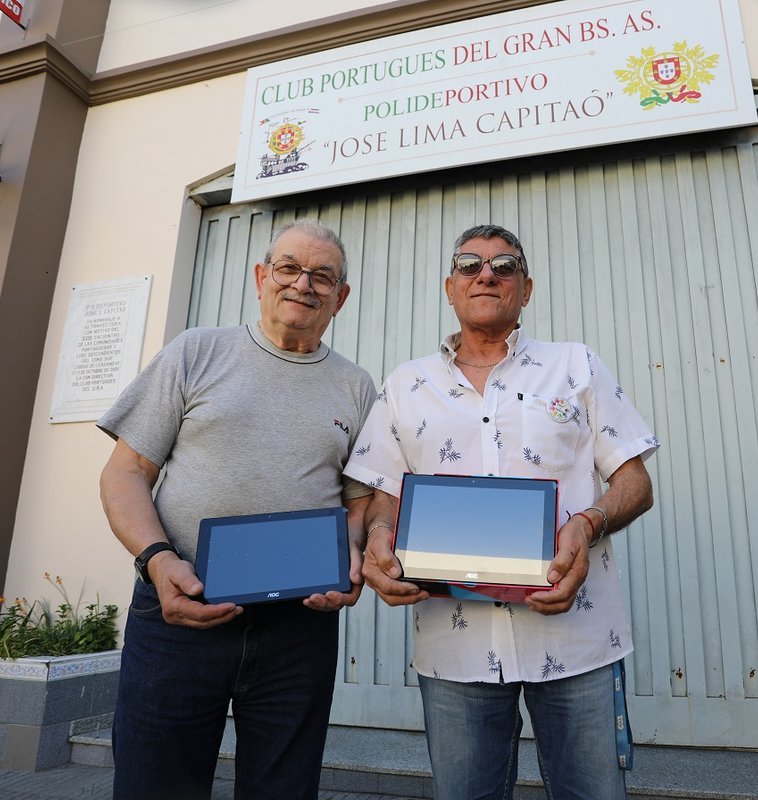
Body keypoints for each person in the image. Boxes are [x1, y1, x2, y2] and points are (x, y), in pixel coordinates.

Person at [345, 224, 659, 800]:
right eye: (469, 265)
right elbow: (379, 491)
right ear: (450, 287)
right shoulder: (406, 383)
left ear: (527, 287)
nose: (485, 274)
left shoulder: (575, 366)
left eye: (504, 265)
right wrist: (380, 537)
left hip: (577, 637)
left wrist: (586, 523)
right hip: (455, 647)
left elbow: (635, 482)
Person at [97, 219, 376, 800]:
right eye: (289, 268)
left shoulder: (355, 386)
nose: (304, 283)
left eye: (323, 276)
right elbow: (125, 474)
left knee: (284, 789)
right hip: (180, 610)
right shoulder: (198, 351)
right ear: (260, 277)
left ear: (341, 297)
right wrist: (156, 559)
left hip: (300, 625)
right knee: (155, 785)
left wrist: (350, 555)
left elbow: (360, 503)